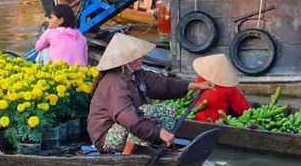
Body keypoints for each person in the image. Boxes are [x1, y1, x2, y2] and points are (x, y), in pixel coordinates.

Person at [87, 33, 215, 154]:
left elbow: (163, 84)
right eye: (137, 56)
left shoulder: (137, 74)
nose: (141, 58)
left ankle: (149, 147)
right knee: (144, 111)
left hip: (127, 126)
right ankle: (128, 153)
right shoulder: (114, 81)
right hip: (106, 136)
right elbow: (127, 117)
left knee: (170, 110)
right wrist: (158, 132)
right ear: (128, 60)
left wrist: (195, 85)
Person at [190, 54, 250, 123]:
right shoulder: (229, 89)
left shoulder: (200, 80)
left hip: (195, 118)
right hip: (217, 122)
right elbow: (243, 109)